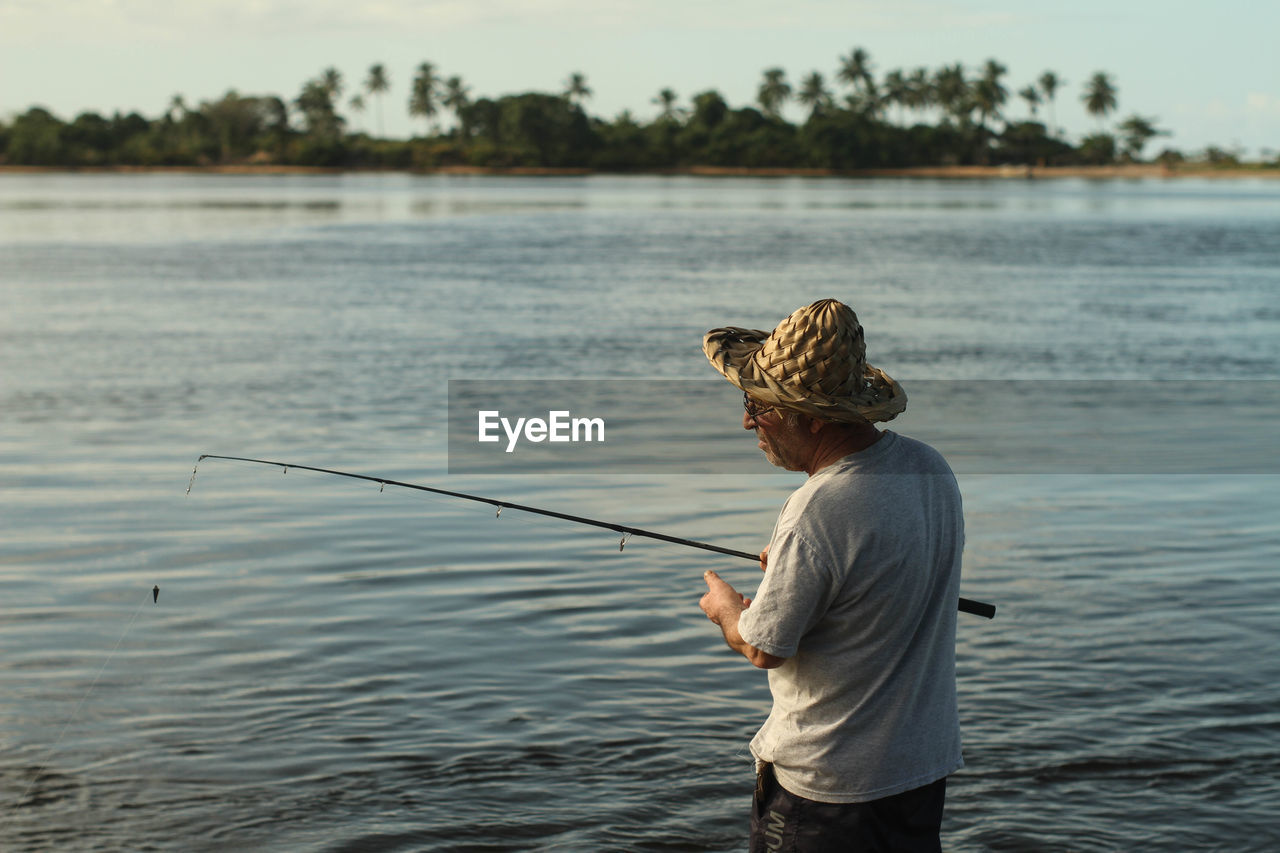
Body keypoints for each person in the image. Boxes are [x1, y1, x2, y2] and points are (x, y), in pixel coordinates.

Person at [698, 298, 964, 853]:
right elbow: (876, 580)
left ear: (812, 416)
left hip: (827, 790)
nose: (747, 419)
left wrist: (727, 610)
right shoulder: (928, 467)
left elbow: (765, 647)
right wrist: (801, 576)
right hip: (918, 771)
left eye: (758, 404)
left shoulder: (816, 507)